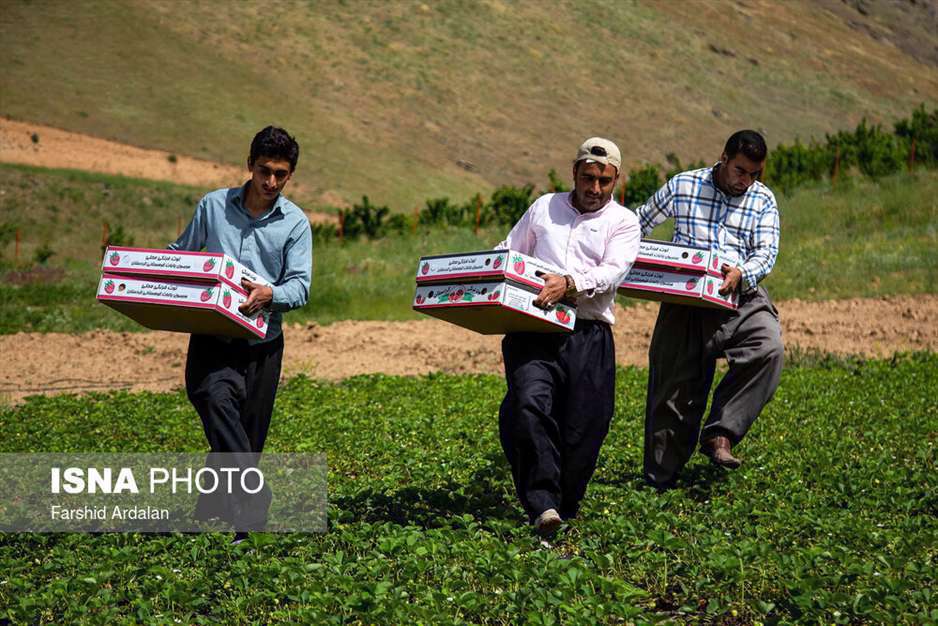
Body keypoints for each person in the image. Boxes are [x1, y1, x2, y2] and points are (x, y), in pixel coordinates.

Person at [169, 126, 312, 542]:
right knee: (212, 397)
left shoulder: (296, 224)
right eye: (264, 171)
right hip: (212, 338)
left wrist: (271, 293)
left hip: (263, 344)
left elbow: (300, 286)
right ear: (249, 165)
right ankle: (253, 506)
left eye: (280, 175)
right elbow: (182, 254)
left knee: (246, 440)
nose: (270, 182)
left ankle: (212, 512)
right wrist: (146, 269)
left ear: (289, 176)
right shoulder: (213, 206)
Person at [496, 137, 641, 537]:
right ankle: (542, 505)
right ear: (574, 172)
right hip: (534, 328)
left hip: (589, 333)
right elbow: (509, 250)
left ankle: (566, 504)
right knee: (527, 404)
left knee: (585, 428)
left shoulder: (624, 223)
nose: (595, 189)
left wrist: (570, 283)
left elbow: (613, 270)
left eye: (604, 181)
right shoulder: (544, 207)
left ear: (616, 180)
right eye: (587, 178)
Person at [636, 130, 783, 489]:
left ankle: (721, 433)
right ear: (723, 157)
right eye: (739, 170)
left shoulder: (762, 199)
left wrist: (742, 273)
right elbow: (637, 223)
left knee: (768, 348)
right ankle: (660, 482)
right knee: (672, 393)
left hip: (737, 296)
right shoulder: (683, 186)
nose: (745, 180)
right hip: (684, 301)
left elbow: (766, 251)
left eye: (753, 173)